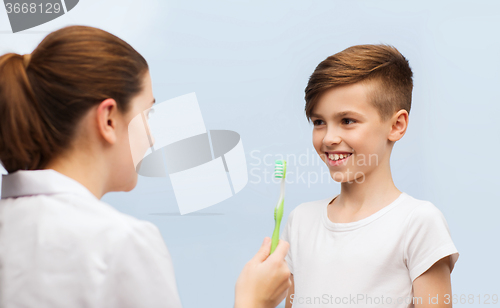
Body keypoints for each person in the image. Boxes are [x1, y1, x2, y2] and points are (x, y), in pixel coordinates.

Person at [0, 25, 291, 308]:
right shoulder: (122, 243)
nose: (152, 137)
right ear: (109, 120)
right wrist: (254, 302)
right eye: (148, 114)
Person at [281, 45, 459, 308]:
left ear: (396, 126)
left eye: (348, 121)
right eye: (319, 122)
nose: (329, 138)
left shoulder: (418, 223)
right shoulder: (300, 221)